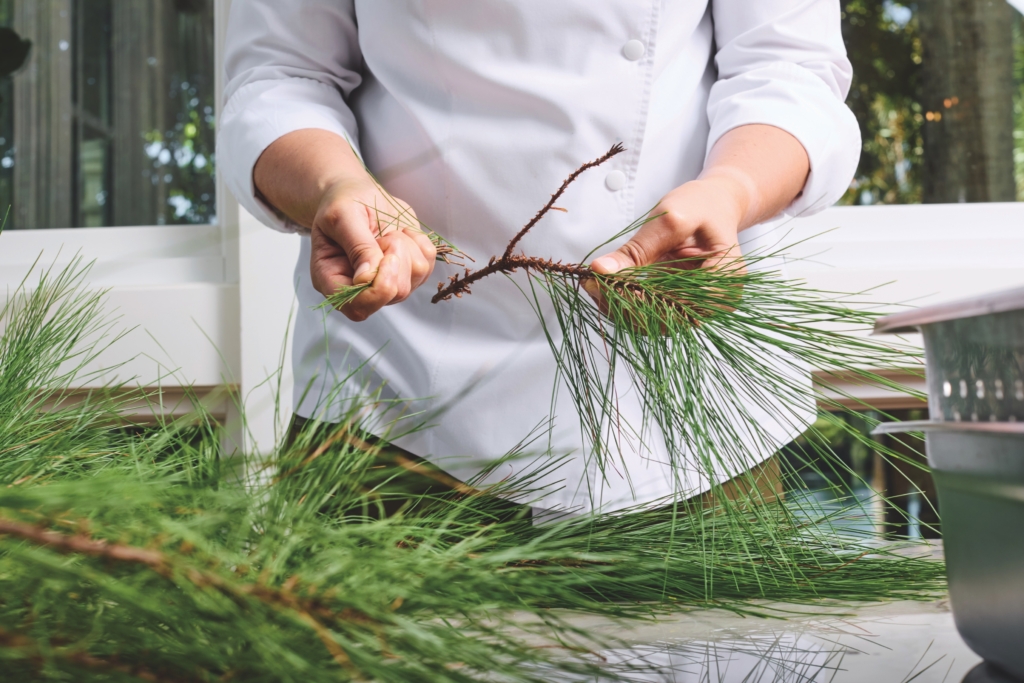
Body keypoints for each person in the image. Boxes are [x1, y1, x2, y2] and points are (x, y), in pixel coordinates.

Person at [219, 0, 860, 516]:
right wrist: (335, 187)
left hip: (691, 417)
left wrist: (732, 192)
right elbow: (282, 75)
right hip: (392, 404)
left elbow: (788, 69)